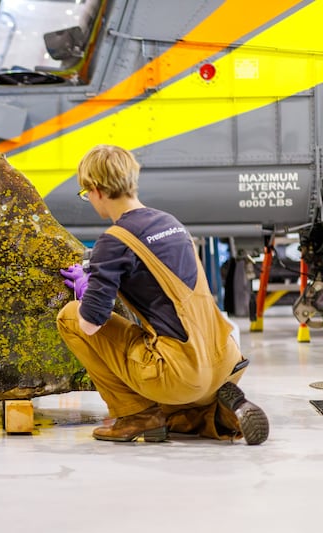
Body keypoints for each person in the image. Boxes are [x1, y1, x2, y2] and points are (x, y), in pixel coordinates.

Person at [56, 144, 269, 444]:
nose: (89, 199)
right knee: (173, 407)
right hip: (224, 359)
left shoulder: (114, 241)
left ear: (97, 189)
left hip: (180, 372)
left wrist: (86, 292)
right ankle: (218, 411)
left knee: (69, 318)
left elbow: (91, 323)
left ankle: (135, 416)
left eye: (85, 193)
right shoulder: (172, 224)